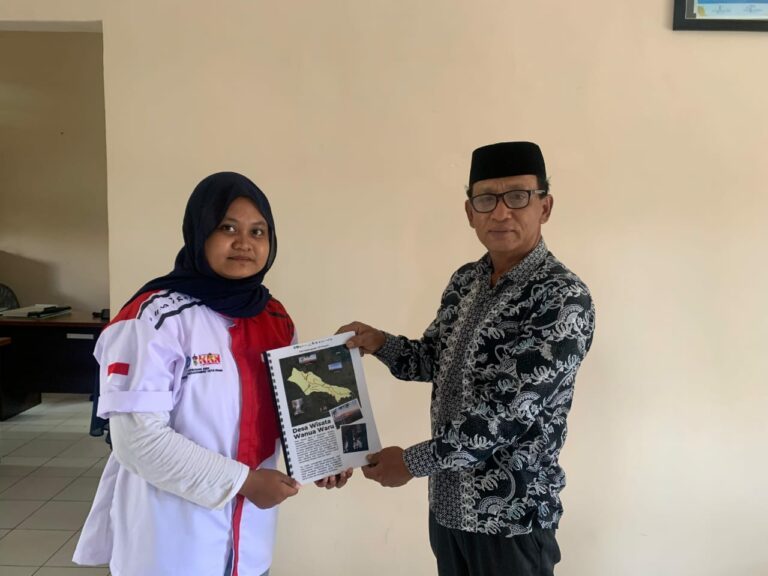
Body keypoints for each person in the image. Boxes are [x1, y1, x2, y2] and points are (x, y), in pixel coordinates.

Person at [74, 172, 350, 576]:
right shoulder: (152, 319)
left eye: (258, 231)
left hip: (250, 543)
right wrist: (243, 483)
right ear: (199, 232)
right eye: (227, 228)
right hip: (172, 543)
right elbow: (136, 440)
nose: (244, 242)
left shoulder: (275, 318)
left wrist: (324, 456)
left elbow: (294, 406)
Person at [340, 142, 595, 576]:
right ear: (469, 212)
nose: (501, 212)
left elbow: (509, 414)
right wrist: (380, 343)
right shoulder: (465, 282)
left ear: (545, 206)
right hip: (449, 510)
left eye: (518, 196)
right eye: (486, 199)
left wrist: (411, 463)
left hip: (512, 519)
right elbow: (431, 361)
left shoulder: (562, 298)